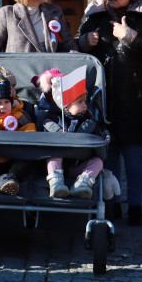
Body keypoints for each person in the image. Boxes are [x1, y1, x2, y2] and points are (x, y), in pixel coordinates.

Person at [77, 0, 142, 225]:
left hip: (134, 95)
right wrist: (84, 41)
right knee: (107, 153)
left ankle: (135, 206)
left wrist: (130, 36)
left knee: (134, 154)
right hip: (101, 96)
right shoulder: (94, 13)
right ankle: (111, 205)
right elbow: (77, 45)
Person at [33, 69, 105, 199]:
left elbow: (96, 135)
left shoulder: (87, 119)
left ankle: (83, 183)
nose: (85, 105)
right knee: (54, 155)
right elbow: (47, 132)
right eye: (80, 102)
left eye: (84, 101)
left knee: (98, 161)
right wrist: (60, 133)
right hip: (56, 165)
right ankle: (56, 183)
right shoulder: (52, 120)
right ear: (65, 107)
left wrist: (89, 129)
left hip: (77, 164)